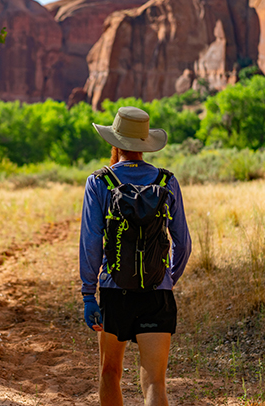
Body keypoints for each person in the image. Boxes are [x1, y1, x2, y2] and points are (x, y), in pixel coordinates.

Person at [79, 106, 191, 406]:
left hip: (116, 293)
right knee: (155, 381)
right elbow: (184, 243)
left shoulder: (99, 182)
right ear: (144, 144)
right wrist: (167, 277)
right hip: (157, 294)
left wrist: (90, 294)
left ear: (115, 143)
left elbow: (91, 242)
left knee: (109, 372)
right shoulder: (167, 182)